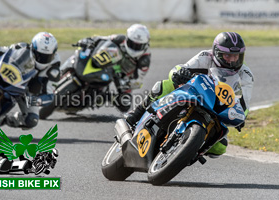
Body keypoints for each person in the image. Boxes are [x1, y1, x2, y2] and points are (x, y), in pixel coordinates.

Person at [126, 32, 254, 157]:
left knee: (220, 147)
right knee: (164, 85)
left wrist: (240, 117)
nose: (232, 61)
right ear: (217, 53)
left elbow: (244, 106)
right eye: (227, 56)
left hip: (217, 108)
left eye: (236, 56)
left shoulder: (246, 75)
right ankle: (137, 113)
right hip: (196, 95)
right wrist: (180, 74)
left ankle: (191, 153)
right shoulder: (205, 57)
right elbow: (179, 69)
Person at [0, 32, 61, 129]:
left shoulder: (53, 69)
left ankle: (3, 119)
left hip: (27, 90)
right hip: (11, 77)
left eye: (46, 57)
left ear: (53, 53)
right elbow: (3, 50)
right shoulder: (21, 47)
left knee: (31, 120)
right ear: (33, 48)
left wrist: (37, 100)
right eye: (39, 55)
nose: (42, 59)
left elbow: (50, 95)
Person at [76, 24, 151, 111]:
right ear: (127, 39)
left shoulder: (144, 60)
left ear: (145, 45)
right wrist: (89, 40)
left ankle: (105, 96)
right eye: (132, 44)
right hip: (108, 62)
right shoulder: (120, 39)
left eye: (138, 46)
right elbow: (102, 38)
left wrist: (127, 82)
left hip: (122, 77)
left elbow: (138, 82)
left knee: (125, 105)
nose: (134, 48)